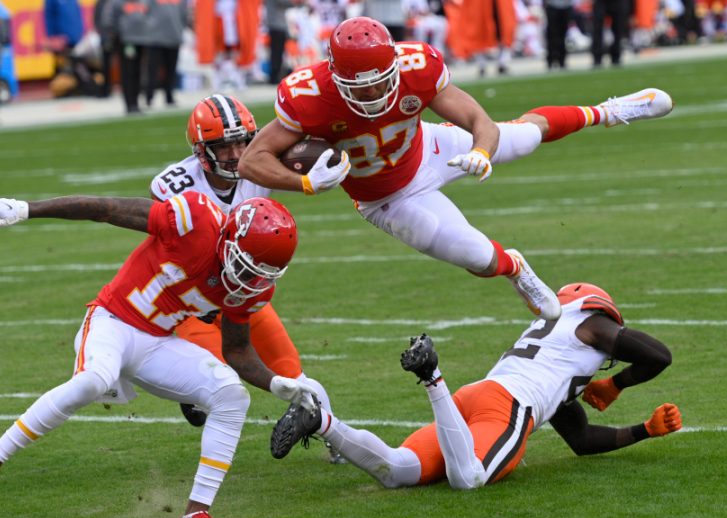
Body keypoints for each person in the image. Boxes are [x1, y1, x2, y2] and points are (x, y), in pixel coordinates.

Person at [239, 16, 673, 322]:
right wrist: (304, 182)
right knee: (477, 256)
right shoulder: (308, 95)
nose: (373, 90)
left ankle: (610, 111)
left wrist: (483, 152)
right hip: (385, 199)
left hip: (428, 147)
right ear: (334, 76)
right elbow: (251, 159)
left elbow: (478, 121)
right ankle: (516, 270)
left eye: (379, 78)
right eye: (360, 84)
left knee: (520, 137)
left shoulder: (416, 66)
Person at [0, 194, 319, 518]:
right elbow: (106, 209)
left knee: (231, 396)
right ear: (228, 237)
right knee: (93, 381)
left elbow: (237, 351)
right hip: (111, 321)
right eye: (243, 264)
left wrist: (275, 384)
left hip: (157, 342)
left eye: (259, 272)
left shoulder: (252, 286)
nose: (247, 279)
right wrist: (27, 209)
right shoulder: (194, 221)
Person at [271, 282, 683, 490]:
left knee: (397, 470)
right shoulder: (592, 323)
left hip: (477, 396)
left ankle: (321, 421)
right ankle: (432, 376)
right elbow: (658, 355)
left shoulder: (554, 348)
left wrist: (643, 431)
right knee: (468, 478)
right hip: (508, 407)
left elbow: (581, 440)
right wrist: (615, 384)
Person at [155, 93, 341, 463]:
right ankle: (192, 400)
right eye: (225, 146)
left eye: (243, 141)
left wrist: (314, 174)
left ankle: (342, 443)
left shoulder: (260, 165)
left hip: (244, 296)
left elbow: (308, 141)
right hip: (198, 302)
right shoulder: (174, 186)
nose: (238, 153)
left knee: (297, 379)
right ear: (201, 150)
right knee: (214, 389)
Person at [144, 0, 189, 107]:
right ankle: (149, 97)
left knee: (171, 69)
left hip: (174, 37)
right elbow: (145, 12)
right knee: (152, 70)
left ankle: (169, 96)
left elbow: (184, 15)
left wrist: (179, 30)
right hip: (155, 39)